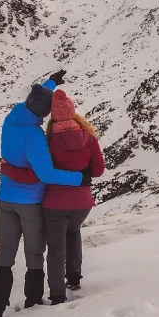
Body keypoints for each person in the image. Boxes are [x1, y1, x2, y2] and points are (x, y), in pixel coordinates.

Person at [0, 73, 90, 317]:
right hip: (30, 203)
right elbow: (46, 173)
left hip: (5, 199)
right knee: (34, 255)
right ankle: (33, 302)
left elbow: (37, 96)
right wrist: (79, 179)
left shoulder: (11, 119)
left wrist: (52, 82)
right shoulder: (34, 136)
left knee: (4, 257)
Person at [42, 89, 105, 303]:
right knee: (74, 232)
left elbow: (43, 171)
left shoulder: (48, 141)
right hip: (82, 202)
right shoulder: (88, 137)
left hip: (55, 203)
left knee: (56, 247)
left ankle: (57, 293)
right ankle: (75, 278)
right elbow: (97, 171)